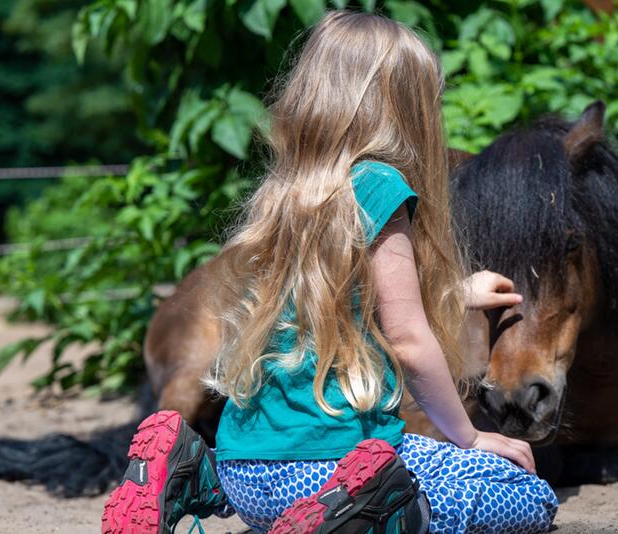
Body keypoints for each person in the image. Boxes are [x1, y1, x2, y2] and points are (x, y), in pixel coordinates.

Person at [102, 10, 558, 534]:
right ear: (408, 111)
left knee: (363, 470)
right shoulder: (381, 187)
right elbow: (407, 338)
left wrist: (456, 294)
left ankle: (192, 472)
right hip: (327, 471)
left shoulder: (285, 193)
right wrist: (469, 437)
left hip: (244, 474)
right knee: (522, 494)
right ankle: (365, 513)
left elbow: (342, 300)